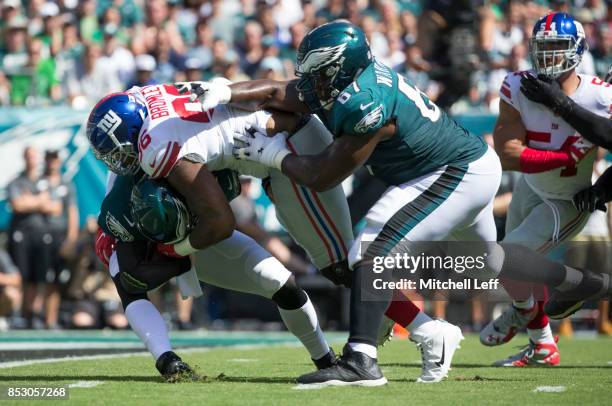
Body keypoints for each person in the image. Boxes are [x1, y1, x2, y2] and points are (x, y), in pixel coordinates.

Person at [188, 20, 501, 385]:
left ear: (340, 70)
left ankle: (361, 360)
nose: (310, 83)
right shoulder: (349, 83)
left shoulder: (365, 103)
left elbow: (323, 176)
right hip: (463, 165)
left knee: (371, 251)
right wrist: (225, 92)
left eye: (319, 74)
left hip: (453, 172)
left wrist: (272, 156)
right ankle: (440, 331)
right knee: (494, 265)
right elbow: (277, 91)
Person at [94, 166, 336, 382]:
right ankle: (166, 358)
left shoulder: (198, 156)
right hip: (147, 243)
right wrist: (177, 260)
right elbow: (133, 279)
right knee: (130, 287)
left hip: (199, 234)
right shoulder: (121, 206)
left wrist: (182, 249)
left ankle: (325, 358)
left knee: (279, 281)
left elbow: (221, 226)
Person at [481, 13, 612, 367]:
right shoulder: (517, 85)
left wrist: (604, 186)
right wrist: (560, 156)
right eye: (544, 47)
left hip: (567, 200)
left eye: (558, 47)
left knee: (503, 258)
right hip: (529, 186)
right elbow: (507, 155)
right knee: (517, 266)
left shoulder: (600, 95)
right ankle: (541, 344)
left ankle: (571, 291)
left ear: (578, 50)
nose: (550, 56)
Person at [7, 146, 58, 328]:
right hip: (21, 234)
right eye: (29, 156)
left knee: (39, 278)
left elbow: (55, 207)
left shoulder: (45, 182)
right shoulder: (17, 182)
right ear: (24, 158)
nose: (32, 160)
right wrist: (40, 201)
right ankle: (17, 313)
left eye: (34, 156)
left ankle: (33, 314)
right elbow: (17, 205)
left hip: (41, 235)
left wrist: (30, 201)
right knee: (21, 275)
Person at [40, 150, 79, 329]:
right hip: (38, 238)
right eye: (50, 157)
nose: (52, 162)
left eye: (55, 158)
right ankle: (32, 316)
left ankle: (50, 319)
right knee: (37, 279)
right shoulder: (38, 181)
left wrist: (71, 238)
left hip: (58, 238)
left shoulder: (66, 184)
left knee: (55, 280)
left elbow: (72, 212)